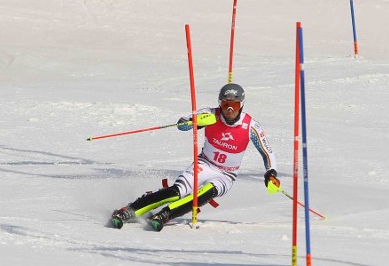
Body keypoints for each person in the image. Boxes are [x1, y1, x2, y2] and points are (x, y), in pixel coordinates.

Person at [109, 83, 280, 231]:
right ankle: (128, 211)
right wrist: (193, 122)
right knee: (177, 192)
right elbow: (182, 123)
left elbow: (267, 151)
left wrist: (271, 172)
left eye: (234, 106)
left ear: (241, 105)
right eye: (225, 104)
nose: (229, 110)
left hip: (226, 175)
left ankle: (165, 215)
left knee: (205, 193)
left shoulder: (251, 126)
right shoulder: (211, 115)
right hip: (204, 164)